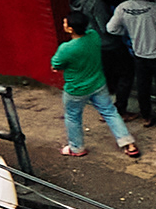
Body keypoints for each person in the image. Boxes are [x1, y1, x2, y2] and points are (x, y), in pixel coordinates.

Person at [52, 17, 137, 157]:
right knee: (110, 112)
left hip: (76, 89)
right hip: (98, 83)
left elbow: (56, 65)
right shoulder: (93, 36)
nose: (63, 24)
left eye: (65, 23)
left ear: (70, 29)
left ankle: (77, 148)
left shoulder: (66, 48)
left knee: (73, 117)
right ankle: (129, 144)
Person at [104, 0, 156, 129]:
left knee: (143, 86)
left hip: (139, 54)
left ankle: (146, 117)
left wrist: (126, 32)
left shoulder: (122, 8)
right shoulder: (154, 8)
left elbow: (111, 28)